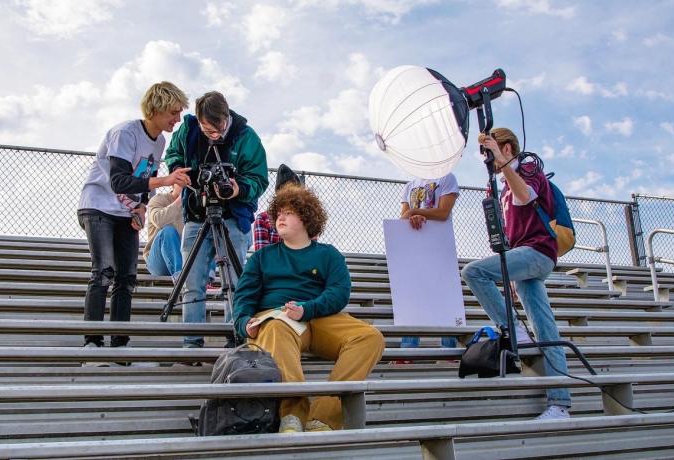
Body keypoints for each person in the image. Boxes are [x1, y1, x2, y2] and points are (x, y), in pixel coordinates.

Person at [233, 185, 385, 433]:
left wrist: (307, 309)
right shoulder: (262, 257)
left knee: (370, 337)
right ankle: (292, 415)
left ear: (306, 218)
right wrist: (243, 323)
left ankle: (322, 418)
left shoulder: (328, 254)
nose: (280, 217)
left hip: (319, 316)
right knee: (276, 327)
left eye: (289, 213)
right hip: (278, 317)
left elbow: (339, 292)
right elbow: (244, 297)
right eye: (278, 213)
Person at [460, 128, 571, 420]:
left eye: (492, 152)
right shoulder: (504, 188)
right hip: (525, 257)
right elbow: (511, 234)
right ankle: (560, 404)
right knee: (547, 332)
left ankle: (512, 328)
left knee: (473, 272)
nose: (489, 161)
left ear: (507, 148)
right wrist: (511, 273)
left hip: (539, 251)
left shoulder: (529, 168)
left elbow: (526, 196)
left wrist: (503, 161)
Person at [77, 81, 191, 360]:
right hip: (99, 207)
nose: (177, 119)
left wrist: (141, 206)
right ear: (157, 109)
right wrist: (165, 181)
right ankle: (92, 341)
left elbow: (144, 179)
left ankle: (120, 343)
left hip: (126, 212)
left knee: (127, 277)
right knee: (103, 272)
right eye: (173, 112)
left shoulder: (160, 141)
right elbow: (118, 181)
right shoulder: (125, 133)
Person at [163, 91, 269, 351]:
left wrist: (238, 189)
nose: (213, 135)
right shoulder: (188, 129)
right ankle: (191, 344)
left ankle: (236, 341)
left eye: (218, 128)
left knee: (234, 282)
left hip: (234, 217)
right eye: (207, 129)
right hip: (196, 214)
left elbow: (259, 178)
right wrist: (178, 171)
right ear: (199, 119)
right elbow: (173, 153)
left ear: (226, 116)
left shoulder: (246, 137)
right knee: (192, 283)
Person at [395, 173, 460, 360]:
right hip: (415, 244)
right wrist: (413, 216)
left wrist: (416, 213)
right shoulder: (410, 184)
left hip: (440, 244)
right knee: (412, 296)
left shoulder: (446, 177)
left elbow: (443, 212)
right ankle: (408, 351)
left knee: (444, 297)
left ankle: (448, 352)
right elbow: (403, 217)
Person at [253, 164, 301, 251]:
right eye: (285, 191)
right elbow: (262, 254)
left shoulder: (306, 217)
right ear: (278, 193)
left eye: (294, 191)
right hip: (274, 260)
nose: (290, 196)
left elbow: (311, 250)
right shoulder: (263, 218)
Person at [143, 184, 184, 283]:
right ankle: (181, 279)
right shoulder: (159, 199)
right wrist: (180, 200)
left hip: (185, 259)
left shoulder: (193, 204)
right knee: (168, 231)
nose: (185, 185)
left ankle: (207, 279)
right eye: (181, 182)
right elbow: (159, 221)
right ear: (173, 183)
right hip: (158, 262)